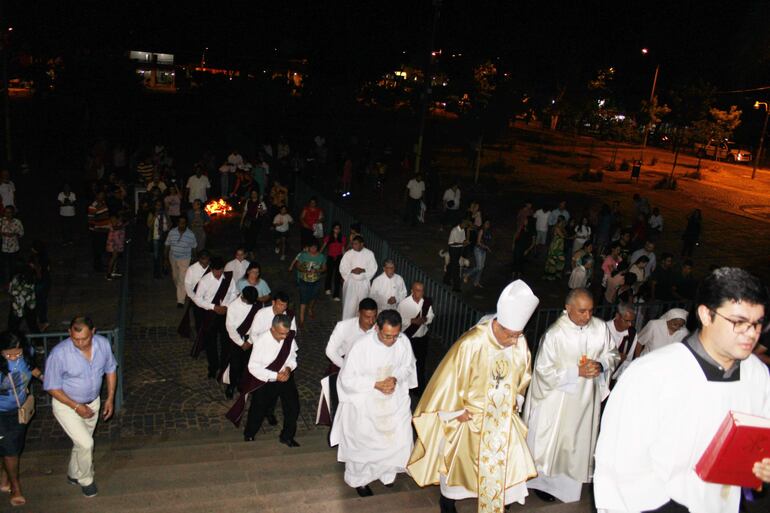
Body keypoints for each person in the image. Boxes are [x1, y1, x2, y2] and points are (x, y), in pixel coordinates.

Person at [594, 267, 770, 513]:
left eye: (758, 323)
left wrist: (759, 467)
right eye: (738, 322)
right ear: (706, 315)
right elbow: (620, 465)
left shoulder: (756, 373)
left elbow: (758, 436)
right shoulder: (652, 374)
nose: (751, 334)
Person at [409, 280, 540, 513]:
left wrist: (516, 400)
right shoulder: (471, 343)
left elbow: (524, 375)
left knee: (506, 463)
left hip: (502, 419)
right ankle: (448, 501)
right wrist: (454, 412)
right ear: (498, 325)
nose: (514, 341)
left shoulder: (518, 342)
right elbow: (448, 381)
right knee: (459, 463)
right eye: (510, 335)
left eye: (518, 335)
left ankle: (502, 499)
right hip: (470, 417)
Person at [523, 288, 619, 503]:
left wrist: (601, 364)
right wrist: (576, 372)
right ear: (568, 309)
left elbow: (612, 354)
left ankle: (567, 489)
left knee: (576, 444)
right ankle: (542, 483)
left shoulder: (600, 328)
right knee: (552, 444)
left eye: (590, 311)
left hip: (585, 401)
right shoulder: (555, 334)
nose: (587, 316)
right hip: (557, 401)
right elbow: (542, 371)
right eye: (582, 311)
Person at [330, 310, 417, 497]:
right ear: (377, 328)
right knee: (364, 442)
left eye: (395, 336)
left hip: (393, 399)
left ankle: (387, 472)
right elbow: (347, 379)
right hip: (366, 400)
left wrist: (395, 378)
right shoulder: (361, 346)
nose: (391, 341)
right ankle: (359, 479)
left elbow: (408, 366)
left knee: (398, 437)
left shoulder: (402, 342)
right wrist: (375, 384)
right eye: (387, 336)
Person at [44, 317, 117, 498]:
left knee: (82, 442)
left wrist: (110, 398)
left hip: (93, 402)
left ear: (93, 332)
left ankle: (73, 473)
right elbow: (52, 386)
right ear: (69, 333)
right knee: (86, 443)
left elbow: (111, 369)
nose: (80, 343)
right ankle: (86, 479)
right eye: (76, 339)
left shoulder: (103, 345)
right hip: (66, 405)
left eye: (84, 338)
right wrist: (76, 406)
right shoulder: (59, 354)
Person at [238, 314, 300, 447]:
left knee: (293, 407)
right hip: (266, 380)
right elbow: (253, 367)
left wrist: (289, 368)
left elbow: (292, 355)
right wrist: (275, 376)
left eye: (286, 333)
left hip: (286, 377)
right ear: (272, 329)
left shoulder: (288, 337)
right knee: (258, 408)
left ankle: (287, 436)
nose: (284, 337)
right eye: (281, 334)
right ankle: (250, 433)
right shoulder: (261, 342)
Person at [317, 298, 377, 426]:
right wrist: (347, 366)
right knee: (339, 404)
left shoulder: (378, 329)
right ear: (359, 313)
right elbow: (330, 351)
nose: (371, 322)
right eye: (367, 317)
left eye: (374, 317)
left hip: (366, 372)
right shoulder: (344, 326)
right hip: (342, 368)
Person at [0, 332, 42, 506]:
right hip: (0, 413)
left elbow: (32, 368)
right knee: (10, 449)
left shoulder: (28, 353)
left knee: (12, 446)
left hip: (20, 410)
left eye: (17, 353)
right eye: (7, 354)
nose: (13, 357)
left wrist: (44, 377)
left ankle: (4, 478)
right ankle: (15, 487)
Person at [192, 256, 238, 379]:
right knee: (210, 343)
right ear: (211, 269)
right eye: (215, 271)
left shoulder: (228, 278)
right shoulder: (205, 281)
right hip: (210, 314)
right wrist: (213, 307)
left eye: (220, 271)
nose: (218, 274)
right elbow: (197, 299)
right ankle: (213, 367)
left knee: (225, 342)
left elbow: (234, 293)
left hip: (224, 314)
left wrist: (226, 306)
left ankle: (224, 367)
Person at [222, 286, 262, 399]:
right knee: (235, 364)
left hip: (252, 338)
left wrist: (250, 341)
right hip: (237, 338)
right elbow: (230, 327)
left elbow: (258, 324)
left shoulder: (257, 305)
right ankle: (231, 385)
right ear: (243, 297)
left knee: (248, 364)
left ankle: (243, 385)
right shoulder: (233, 306)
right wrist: (241, 343)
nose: (252, 304)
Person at [397, 281, 434, 395]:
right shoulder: (404, 304)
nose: (420, 293)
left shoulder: (426, 302)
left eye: (422, 290)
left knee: (421, 363)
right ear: (412, 291)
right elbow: (399, 321)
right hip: (409, 338)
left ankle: (420, 387)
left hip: (422, 337)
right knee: (408, 363)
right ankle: (408, 387)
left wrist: (425, 320)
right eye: (417, 290)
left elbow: (431, 316)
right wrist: (412, 321)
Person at [339, 236, 378, 319]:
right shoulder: (348, 253)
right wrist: (352, 270)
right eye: (353, 244)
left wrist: (363, 270)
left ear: (362, 244)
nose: (353, 246)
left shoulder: (369, 254)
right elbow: (343, 267)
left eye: (356, 244)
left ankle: (361, 323)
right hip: (351, 283)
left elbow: (373, 267)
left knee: (362, 304)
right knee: (349, 306)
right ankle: (347, 323)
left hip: (363, 283)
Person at [289, 241, 326, 326]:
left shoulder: (321, 257)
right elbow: (298, 265)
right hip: (304, 281)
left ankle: (310, 308)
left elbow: (324, 268)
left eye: (315, 247)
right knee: (303, 298)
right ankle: (301, 318)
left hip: (316, 281)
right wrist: (304, 270)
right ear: (308, 247)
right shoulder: (303, 255)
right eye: (311, 247)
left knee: (313, 296)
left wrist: (317, 270)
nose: (313, 249)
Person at [165, 217, 197, 307]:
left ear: (186, 224)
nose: (182, 225)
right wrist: (165, 259)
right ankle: (182, 290)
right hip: (173, 257)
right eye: (180, 223)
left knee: (181, 279)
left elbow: (194, 247)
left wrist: (194, 258)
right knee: (175, 277)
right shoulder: (172, 232)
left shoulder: (190, 235)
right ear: (177, 223)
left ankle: (180, 301)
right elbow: (167, 245)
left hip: (185, 258)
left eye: (184, 223)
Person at [606, 303, 637, 381]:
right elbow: (594, 354)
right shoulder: (604, 329)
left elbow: (628, 360)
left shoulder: (632, 334)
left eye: (632, 321)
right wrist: (615, 355)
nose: (630, 324)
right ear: (617, 316)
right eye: (627, 321)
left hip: (616, 377)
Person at [7, 267, 38, 333]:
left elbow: (11, 291)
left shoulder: (20, 278)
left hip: (21, 304)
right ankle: (38, 341)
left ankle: (38, 341)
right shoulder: (21, 279)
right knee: (32, 325)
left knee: (14, 326)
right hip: (20, 304)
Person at [30, 241, 51, 331]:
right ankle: (43, 321)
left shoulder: (36, 259)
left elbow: (38, 271)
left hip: (40, 282)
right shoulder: (45, 257)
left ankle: (43, 321)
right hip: (46, 281)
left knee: (40, 302)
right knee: (43, 302)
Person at [321, 222, 346, 300]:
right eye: (336, 228)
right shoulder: (329, 237)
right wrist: (318, 254)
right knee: (329, 273)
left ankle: (336, 295)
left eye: (338, 228)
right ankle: (327, 288)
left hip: (339, 257)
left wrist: (345, 259)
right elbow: (323, 246)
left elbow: (343, 249)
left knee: (337, 276)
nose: (337, 230)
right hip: (330, 257)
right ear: (333, 229)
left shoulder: (342, 238)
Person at [465, 219, 492, 288]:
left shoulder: (488, 232)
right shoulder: (481, 231)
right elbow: (478, 242)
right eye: (486, 223)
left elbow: (488, 240)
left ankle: (476, 282)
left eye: (488, 223)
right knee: (479, 267)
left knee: (481, 267)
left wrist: (488, 247)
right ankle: (467, 274)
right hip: (478, 250)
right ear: (483, 224)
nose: (487, 225)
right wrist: (486, 247)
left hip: (484, 251)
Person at [147, 200, 171, 279]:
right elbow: (149, 225)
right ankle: (156, 273)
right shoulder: (152, 214)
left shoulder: (165, 214)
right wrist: (154, 217)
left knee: (165, 254)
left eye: (160, 205)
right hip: (156, 237)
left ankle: (164, 269)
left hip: (165, 236)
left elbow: (169, 224)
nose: (158, 207)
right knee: (156, 256)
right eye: (157, 205)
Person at [0, 206, 22, 286]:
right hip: (3, 247)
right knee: (4, 265)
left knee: (13, 266)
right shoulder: (1, 221)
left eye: (9, 212)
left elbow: (21, 233)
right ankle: (4, 282)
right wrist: (2, 233)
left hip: (14, 247)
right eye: (6, 212)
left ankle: (13, 282)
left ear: (13, 213)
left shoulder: (17, 222)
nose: (7, 214)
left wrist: (14, 234)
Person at [240, 189, 267, 254]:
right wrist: (241, 221)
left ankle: (250, 251)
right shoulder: (248, 201)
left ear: (257, 194)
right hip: (248, 220)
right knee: (246, 235)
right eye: (252, 193)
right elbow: (245, 211)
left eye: (255, 193)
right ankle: (247, 250)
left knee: (253, 236)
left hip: (256, 221)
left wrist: (261, 210)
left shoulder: (260, 202)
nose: (253, 195)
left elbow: (263, 212)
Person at [445, 219, 468, 292]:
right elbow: (450, 243)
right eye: (465, 224)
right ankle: (456, 287)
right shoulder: (454, 230)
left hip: (458, 250)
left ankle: (446, 279)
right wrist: (461, 244)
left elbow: (463, 240)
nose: (466, 226)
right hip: (453, 250)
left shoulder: (463, 230)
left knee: (452, 265)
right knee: (456, 268)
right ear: (461, 223)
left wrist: (466, 242)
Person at [543, 216, 566, 281]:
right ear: (561, 221)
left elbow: (565, 234)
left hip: (560, 246)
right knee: (553, 259)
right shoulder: (557, 227)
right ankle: (550, 275)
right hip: (555, 245)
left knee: (560, 260)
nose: (564, 222)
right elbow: (563, 236)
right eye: (563, 221)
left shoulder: (561, 227)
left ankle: (556, 274)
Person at [105, 215, 125, 281]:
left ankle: (113, 271)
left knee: (115, 257)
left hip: (117, 243)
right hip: (113, 243)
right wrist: (124, 224)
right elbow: (115, 228)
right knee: (113, 258)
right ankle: (108, 274)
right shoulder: (113, 219)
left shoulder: (119, 221)